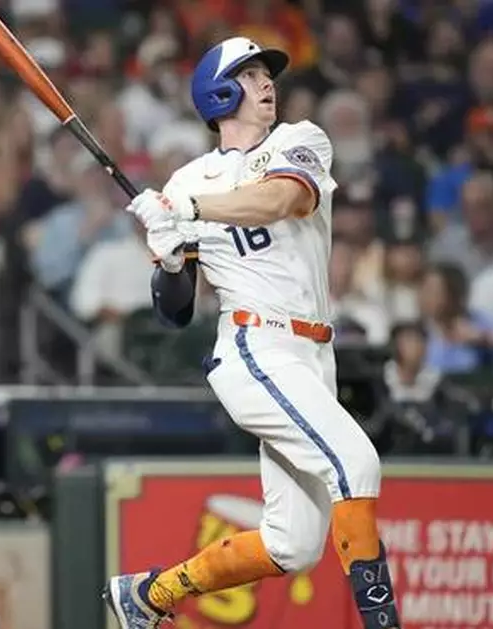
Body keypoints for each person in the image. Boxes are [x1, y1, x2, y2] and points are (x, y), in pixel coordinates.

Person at [105, 38, 401, 629]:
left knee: (293, 544)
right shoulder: (187, 180)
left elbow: (281, 199)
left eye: (267, 73)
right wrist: (169, 259)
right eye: (250, 74)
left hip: (313, 353)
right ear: (217, 92)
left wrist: (188, 211)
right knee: (357, 463)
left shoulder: (299, 140)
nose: (267, 83)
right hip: (254, 346)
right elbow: (174, 312)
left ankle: (150, 594)